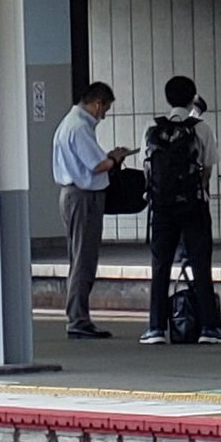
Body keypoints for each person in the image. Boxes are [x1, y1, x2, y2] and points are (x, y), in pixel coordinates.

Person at [142, 74, 221, 346]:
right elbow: (208, 169)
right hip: (193, 205)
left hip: (161, 208)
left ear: (167, 98)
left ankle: (155, 328)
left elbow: (147, 168)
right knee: (200, 264)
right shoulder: (201, 128)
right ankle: (209, 328)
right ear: (193, 98)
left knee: (160, 266)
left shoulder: (151, 128)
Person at [52, 82, 132, 339]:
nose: (105, 114)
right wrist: (115, 158)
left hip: (73, 193)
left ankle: (78, 315)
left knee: (78, 257)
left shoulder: (69, 123)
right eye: (105, 108)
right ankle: (78, 318)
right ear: (97, 104)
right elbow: (97, 165)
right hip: (83, 196)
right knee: (83, 259)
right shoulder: (79, 126)